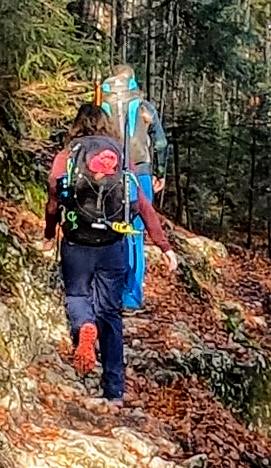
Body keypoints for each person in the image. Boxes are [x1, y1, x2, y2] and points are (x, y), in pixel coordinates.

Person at [43, 104, 176, 407]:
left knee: (77, 296)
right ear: (106, 126)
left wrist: (50, 235)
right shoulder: (119, 155)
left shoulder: (68, 156)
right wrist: (164, 247)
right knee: (112, 315)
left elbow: (53, 198)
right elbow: (142, 205)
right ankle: (114, 389)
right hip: (113, 243)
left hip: (77, 242)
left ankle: (84, 326)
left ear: (76, 126)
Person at [99, 66, 169, 310]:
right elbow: (160, 142)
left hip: (109, 174)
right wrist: (161, 172)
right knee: (136, 234)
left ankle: (110, 292)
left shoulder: (102, 105)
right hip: (141, 173)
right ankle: (132, 295)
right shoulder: (144, 107)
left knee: (110, 231)